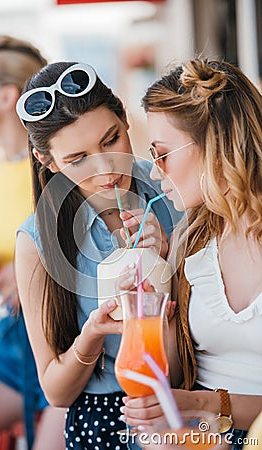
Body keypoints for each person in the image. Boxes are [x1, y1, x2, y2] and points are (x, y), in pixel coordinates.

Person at [14, 60, 181, 449]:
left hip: (187, 405)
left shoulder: (174, 193)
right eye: (77, 160)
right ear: (47, 162)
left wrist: (168, 261)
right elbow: (56, 392)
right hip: (103, 419)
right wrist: (92, 334)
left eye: (112, 139)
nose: (106, 168)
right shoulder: (38, 239)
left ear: (125, 117)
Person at [117, 58, 262, 449]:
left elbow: (194, 401)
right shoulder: (191, 241)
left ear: (215, 147)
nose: (154, 171)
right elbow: (172, 374)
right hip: (202, 433)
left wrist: (203, 405)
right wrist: (154, 290)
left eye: (161, 153)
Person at [0, 35, 65, 450]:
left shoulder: (55, 170)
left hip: (67, 337)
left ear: (7, 96)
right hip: (15, 338)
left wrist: (29, 270)